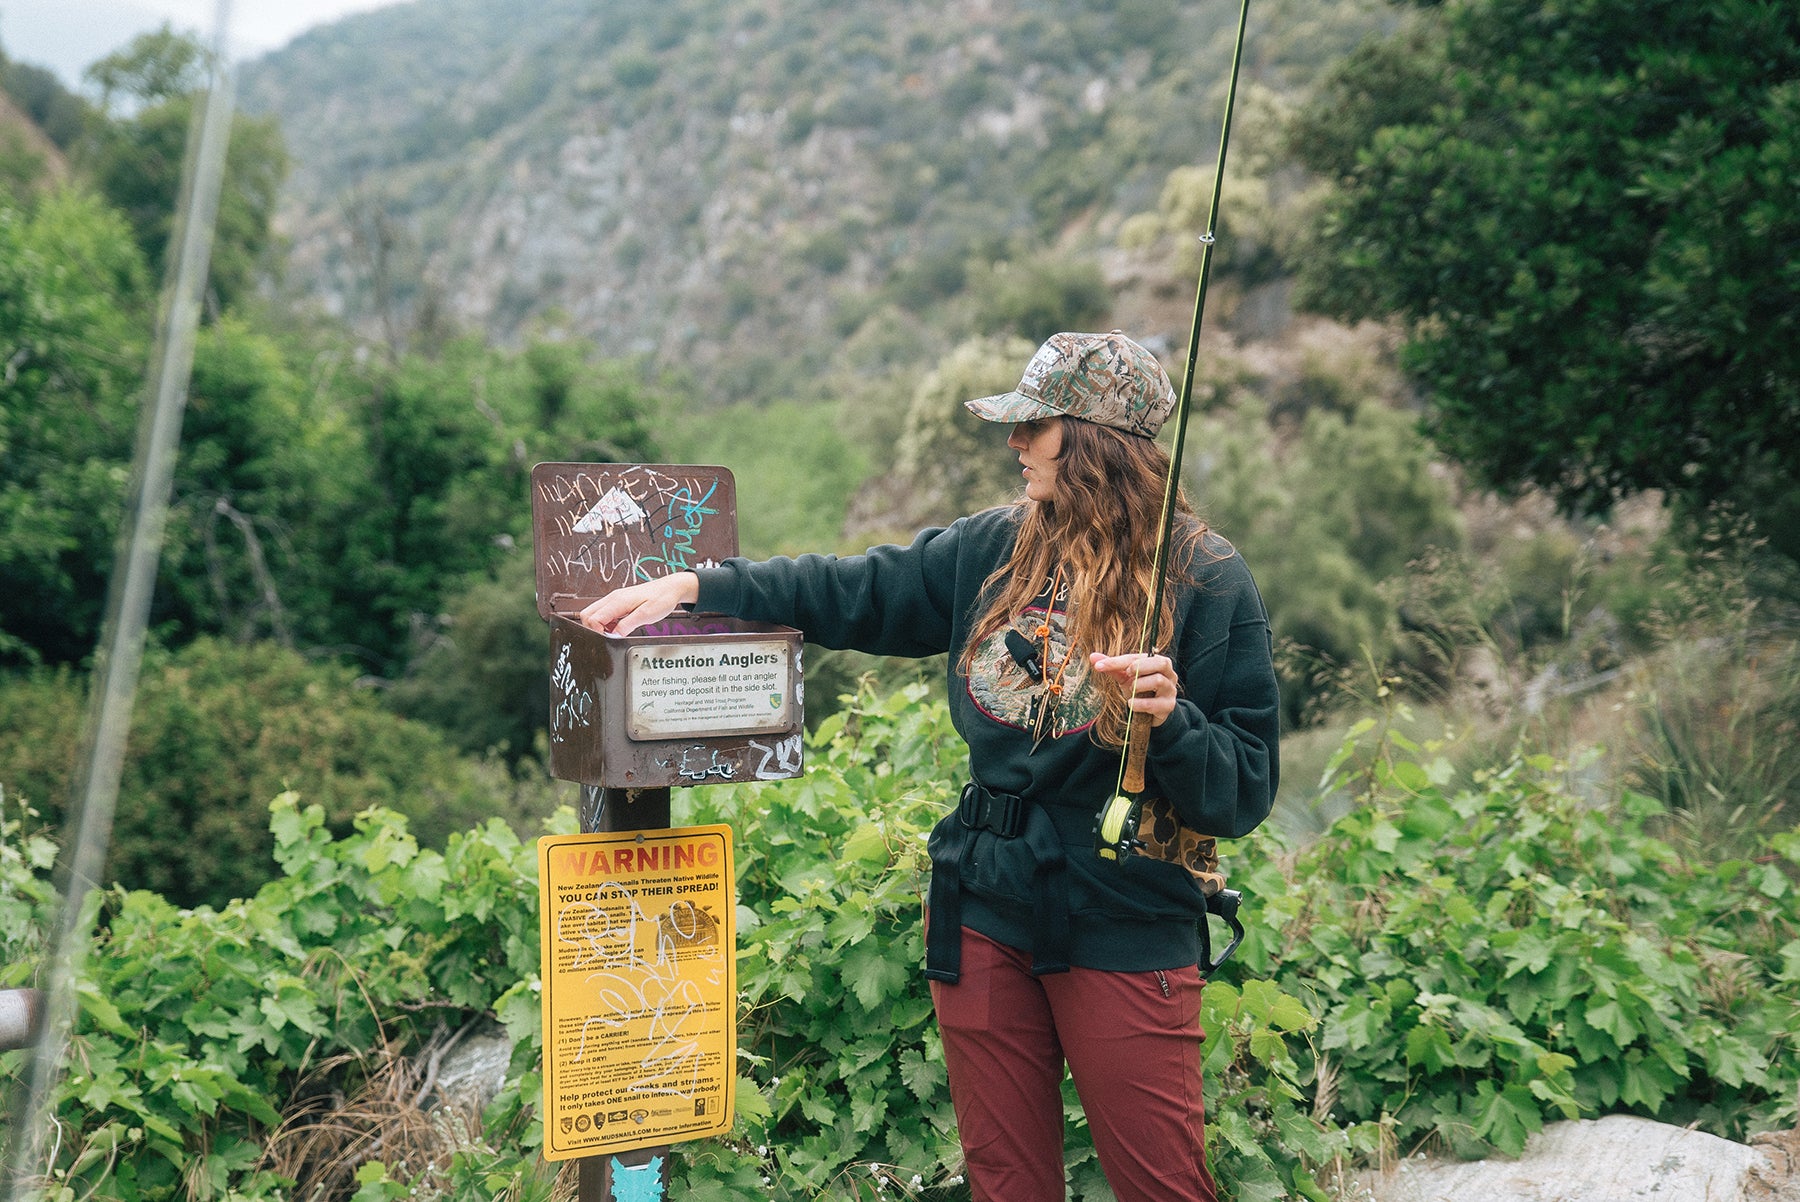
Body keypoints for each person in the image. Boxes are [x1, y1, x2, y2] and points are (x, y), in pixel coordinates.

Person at [580, 330, 1280, 1202]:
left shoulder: (1205, 579)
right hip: (985, 910)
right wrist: (697, 587)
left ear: (1095, 441)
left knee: (1161, 1188)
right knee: (1006, 1187)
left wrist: (1173, 723)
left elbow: (1244, 787)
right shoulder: (992, 549)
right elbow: (849, 590)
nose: (1015, 445)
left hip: (1126, 919)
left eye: (1037, 427)